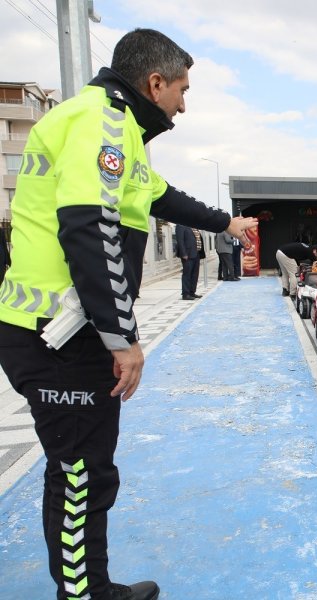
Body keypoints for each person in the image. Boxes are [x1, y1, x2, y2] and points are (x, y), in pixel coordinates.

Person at [0, 28, 257, 600]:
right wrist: (122, 338)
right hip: (61, 334)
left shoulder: (116, 133)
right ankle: (84, 595)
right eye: (181, 91)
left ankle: (91, 586)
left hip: (63, 331)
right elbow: (90, 230)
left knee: (86, 468)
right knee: (78, 475)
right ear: (154, 82)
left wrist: (226, 223)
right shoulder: (104, 123)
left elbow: (161, 195)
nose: (183, 106)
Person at [175, 225, 203, 300]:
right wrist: (183, 253)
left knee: (195, 274)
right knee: (187, 274)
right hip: (187, 254)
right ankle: (185, 294)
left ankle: (192, 292)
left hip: (196, 253)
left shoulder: (193, 225)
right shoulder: (180, 225)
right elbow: (180, 240)